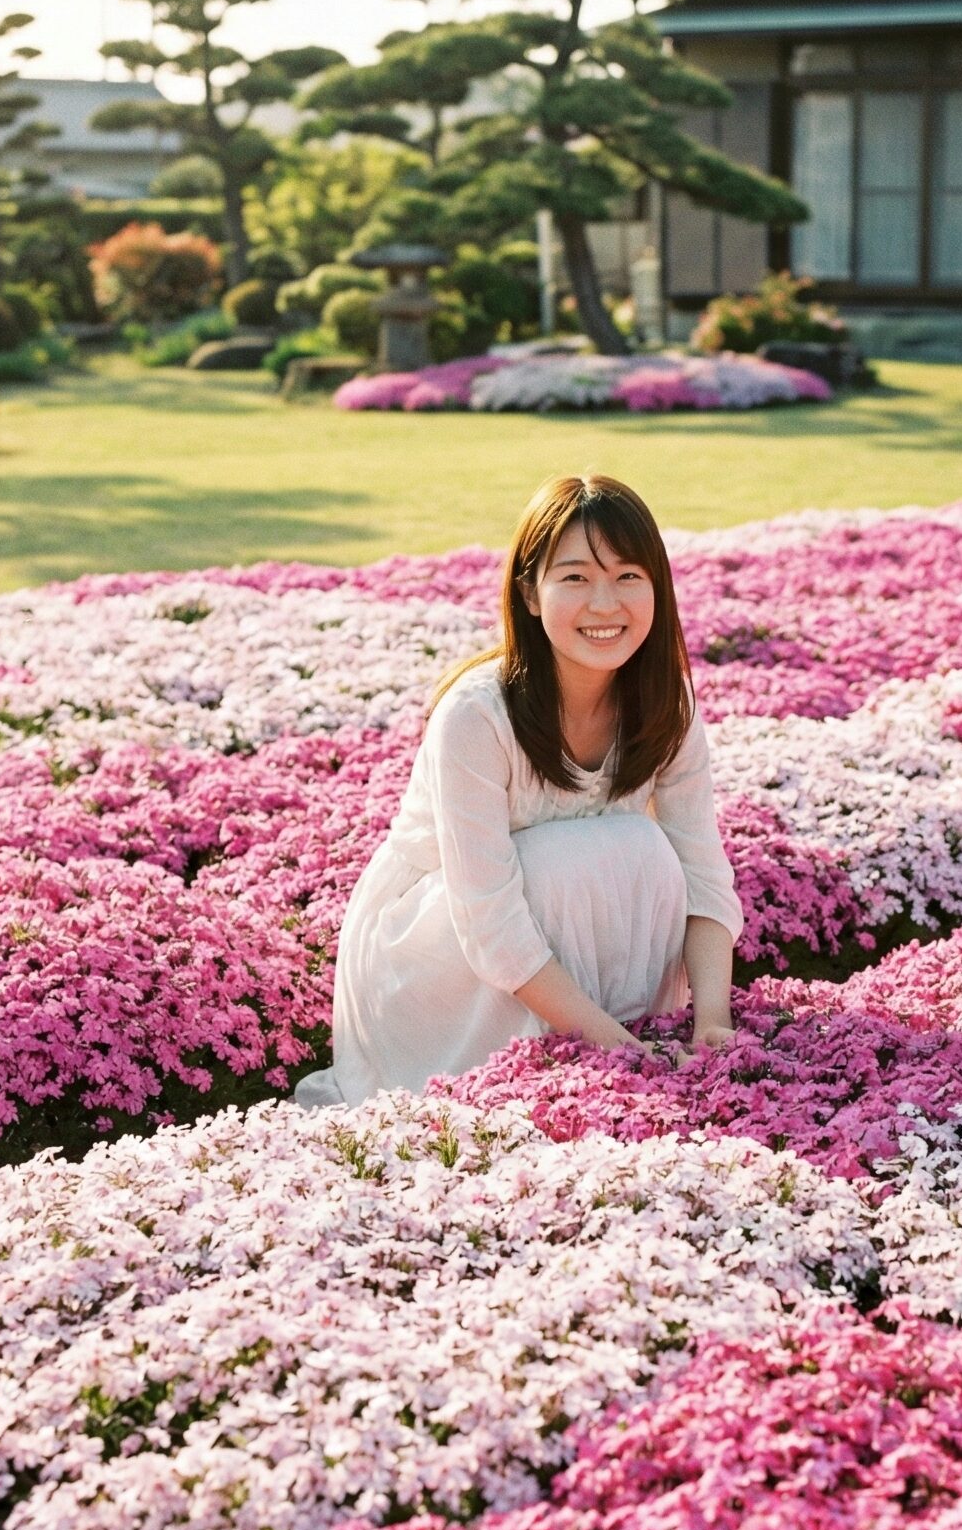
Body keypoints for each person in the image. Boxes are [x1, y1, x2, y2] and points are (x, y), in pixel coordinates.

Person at [301, 473, 742, 1105]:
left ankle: (592, 1043)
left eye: (627, 576)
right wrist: (622, 1051)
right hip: (436, 950)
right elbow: (491, 922)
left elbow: (703, 874)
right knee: (581, 857)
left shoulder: (665, 705)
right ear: (530, 594)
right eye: (575, 578)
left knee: (646, 851)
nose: (604, 604)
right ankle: (566, 1052)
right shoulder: (477, 716)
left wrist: (713, 1023)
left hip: (551, 939)